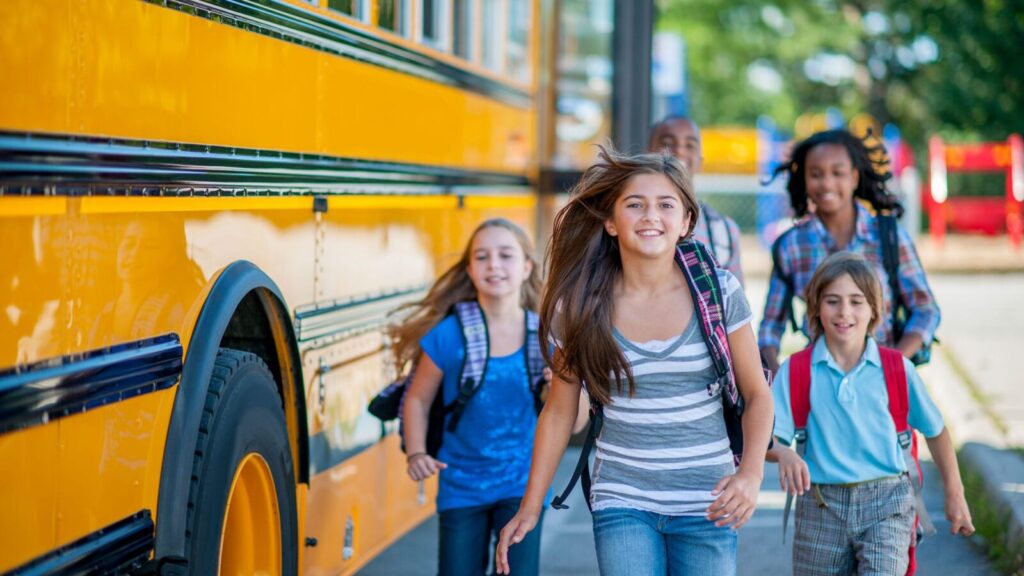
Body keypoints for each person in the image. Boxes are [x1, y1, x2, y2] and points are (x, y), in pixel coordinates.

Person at [495, 148, 774, 576]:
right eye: (635, 204)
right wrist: (530, 507)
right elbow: (559, 410)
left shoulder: (718, 291)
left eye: (666, 205)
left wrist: (750, 475)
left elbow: (757, 394)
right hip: (622, 500)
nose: (651, 216)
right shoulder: (580, 306)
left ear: (685, 222)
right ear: (610, 222)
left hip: (708, 500)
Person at [769, 251, 973, 575]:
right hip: (820, 506)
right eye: (832, 301)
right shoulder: (796, 371)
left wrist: (955, 492)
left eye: (856, 301)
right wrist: (784, 454)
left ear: (875, 310)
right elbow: (768, 441)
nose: (844, 312)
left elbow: (935, 430)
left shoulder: (896, 369)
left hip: (888, 503)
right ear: (816, 308)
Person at [398, 218, 551, 576]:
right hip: (461, 486)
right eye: (481, 257)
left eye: (506, 255)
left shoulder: (544, 336)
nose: (494, 265)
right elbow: (417, 399)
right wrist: (416, 452)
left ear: (527, 266)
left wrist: (558, 384)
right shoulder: (449, 335)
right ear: (469, 269)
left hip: (522, 487)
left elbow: (573, 419)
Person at [758, 129, 940, 373]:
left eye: (838, 172)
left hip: (883, 385)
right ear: (803, 179)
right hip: (818, 384)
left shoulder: (888, 237)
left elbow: (925, 309)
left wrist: (893, 364)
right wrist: (778, 378)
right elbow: (770, 327)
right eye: (815, 174)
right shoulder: (790, 246)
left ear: (854, 177)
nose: (827, 183)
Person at [649, 115, 745, 284]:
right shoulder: (627, 220)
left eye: (690, 145)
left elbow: (735, 305)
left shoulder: (723, 232)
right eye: (668, 143)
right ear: (647, 152)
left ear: (700, 160)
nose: (679, 150)